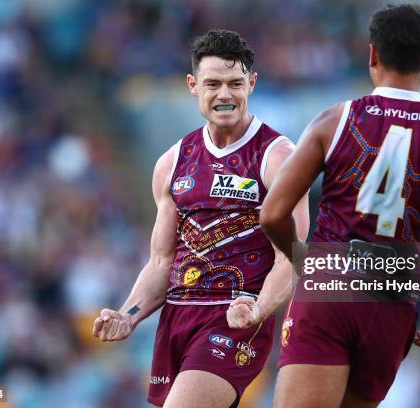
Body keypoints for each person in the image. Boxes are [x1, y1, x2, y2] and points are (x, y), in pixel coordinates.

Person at [259, 4, 420, 408]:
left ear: (372, 55)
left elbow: (273, 213)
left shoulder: (334, 120)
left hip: (331, 286)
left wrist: (302, 260)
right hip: (392, 302)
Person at [92, 29, 308, 408]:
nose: (224, 94)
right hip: (176, 320)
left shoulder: (278, 158)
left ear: (251, 84)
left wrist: (257, 309)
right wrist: (128, 315)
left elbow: (290, 258)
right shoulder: (172, 162)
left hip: (234, 320)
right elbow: (161, 261)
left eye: (235, 83)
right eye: (213, 84)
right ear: (193, 85)